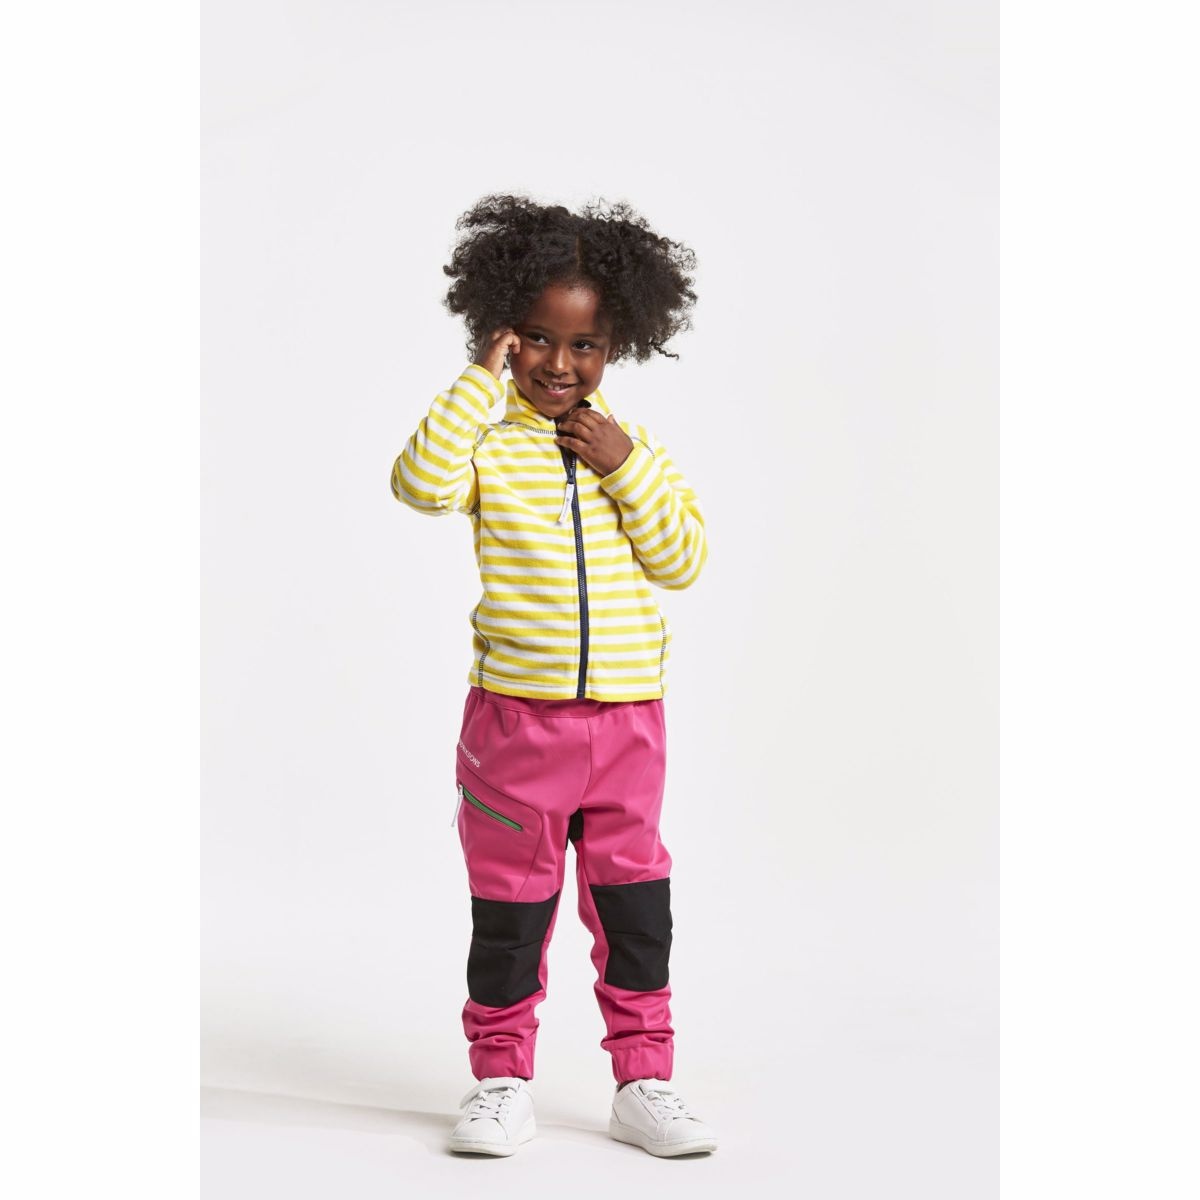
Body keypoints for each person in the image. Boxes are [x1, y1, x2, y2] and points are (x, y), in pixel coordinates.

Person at [391, 194, 717, 1158]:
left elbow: (683, 559)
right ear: (503, 333)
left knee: (635, 909)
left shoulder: (632, 449)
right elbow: (419, 485)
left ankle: (644, 1080)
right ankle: (500, 1080)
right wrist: (476, 382)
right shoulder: (486, 442)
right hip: (515, 727)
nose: (559, 363)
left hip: (627, 727)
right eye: (536, 337)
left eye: (585, 345)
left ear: (618, 346)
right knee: (511, 911)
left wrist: (624, 467)